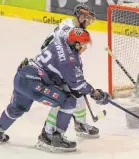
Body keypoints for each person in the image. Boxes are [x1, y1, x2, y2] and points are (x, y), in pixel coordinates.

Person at [0, 27, 109, 152]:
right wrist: (95, 93)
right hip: (35, 84)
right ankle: (51, 138)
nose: (85, 48)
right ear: (76, 44)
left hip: (22, 76)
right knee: (69, 101)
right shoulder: (68, 60)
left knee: (17, 108)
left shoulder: (60, 41)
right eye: (84, 45)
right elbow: (77, 84)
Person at [41, 3, 100, 138]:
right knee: (64, 98)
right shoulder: (69, 27)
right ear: (81, 17)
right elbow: (65, 48)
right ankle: (47, 132)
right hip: (52, 67)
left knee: (76, 94)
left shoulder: (75, 27)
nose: (89, 22)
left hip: (58, 64)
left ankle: (80, 124)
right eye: (88, 19)